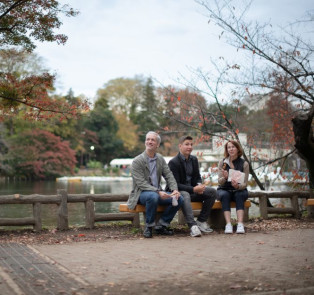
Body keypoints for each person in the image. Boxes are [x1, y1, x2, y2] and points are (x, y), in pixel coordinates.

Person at [127, 131, 183, 238]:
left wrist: (174, 189)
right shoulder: (137, 161)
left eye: (153, 140)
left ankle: (161, 226)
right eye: (148, 139)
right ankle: (148, 227)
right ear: (145, 142)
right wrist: (158, 191)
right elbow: (141, 183)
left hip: (158, 193)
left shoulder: (160, 159)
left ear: (157, 144)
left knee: (179, 198)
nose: (150, 141)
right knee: (153, 196)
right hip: (141, 194)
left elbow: (169, 175)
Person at [168, 135, 217, 237]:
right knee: (185, 194)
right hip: (178, 192)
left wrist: (199, 186)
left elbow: (197, 177)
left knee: (212, 192)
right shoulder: (173, 162)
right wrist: (194, 189)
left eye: (191, 144)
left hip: (193, 191)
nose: (189, 147)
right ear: (180, 146)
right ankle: (192, 226)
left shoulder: (194, 160)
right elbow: (175, 184)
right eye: (187, 144)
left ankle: (201, 221)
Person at [217, 140, 249, 234]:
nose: (231, 149)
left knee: (239, 194)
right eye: (229, 147)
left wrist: (238, 186)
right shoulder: (222, 162)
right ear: (227, 150)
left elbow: (245, 184)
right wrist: (225, 178)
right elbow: (219, 181)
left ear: (238, 149)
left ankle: (240, 224)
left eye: (233, 147)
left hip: (239, 189)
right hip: (224, 188)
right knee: (225, 195)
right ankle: (228, 224)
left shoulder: (244, 164)